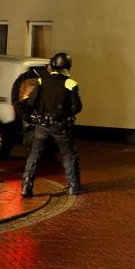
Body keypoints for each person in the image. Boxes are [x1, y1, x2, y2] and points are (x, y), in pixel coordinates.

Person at [21, 53, 85, 197]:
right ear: (67, 66)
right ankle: (74, 186)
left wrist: (30, 118)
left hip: (41, 125)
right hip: (60, 126)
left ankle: (26, 187)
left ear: (53, 65)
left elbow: (30, 103)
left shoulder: (41, 81)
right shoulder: (70, 83)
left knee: (34, 155)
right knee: (69, 153)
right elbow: (77, 108)